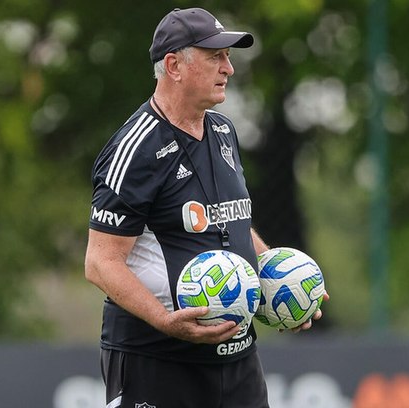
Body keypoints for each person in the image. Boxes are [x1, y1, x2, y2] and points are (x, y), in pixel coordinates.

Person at [84, 7, 327, 408]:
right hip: (157, 358)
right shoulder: (135, 149)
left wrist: (283, 282)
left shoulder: (222, 130)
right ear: (174, 65)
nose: (229, 68)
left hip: (238, 360)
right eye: (216, 56)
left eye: (228, 57)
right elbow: (100, 262)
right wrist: (167, 322)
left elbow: (230, 221)